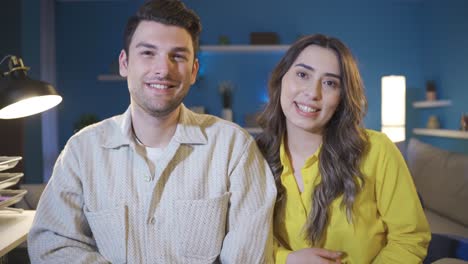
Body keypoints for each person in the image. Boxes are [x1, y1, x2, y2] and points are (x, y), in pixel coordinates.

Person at [28, 0, 276, 263]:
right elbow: (51, 244)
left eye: (178, 56)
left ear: (193, 71)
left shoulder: (233, 147)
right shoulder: (82, 150)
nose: (163, 69)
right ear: (124, 63)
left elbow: (249, 257)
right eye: (148, 53)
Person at [256, 34, 431, 263]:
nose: (313, 93)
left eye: (330, 83)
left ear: (342, 97)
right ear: (281, 79)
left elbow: (410, 238)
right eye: (302, 74)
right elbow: (245, 240)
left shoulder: (377, 150)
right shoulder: (254, 156)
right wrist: (286, 259)